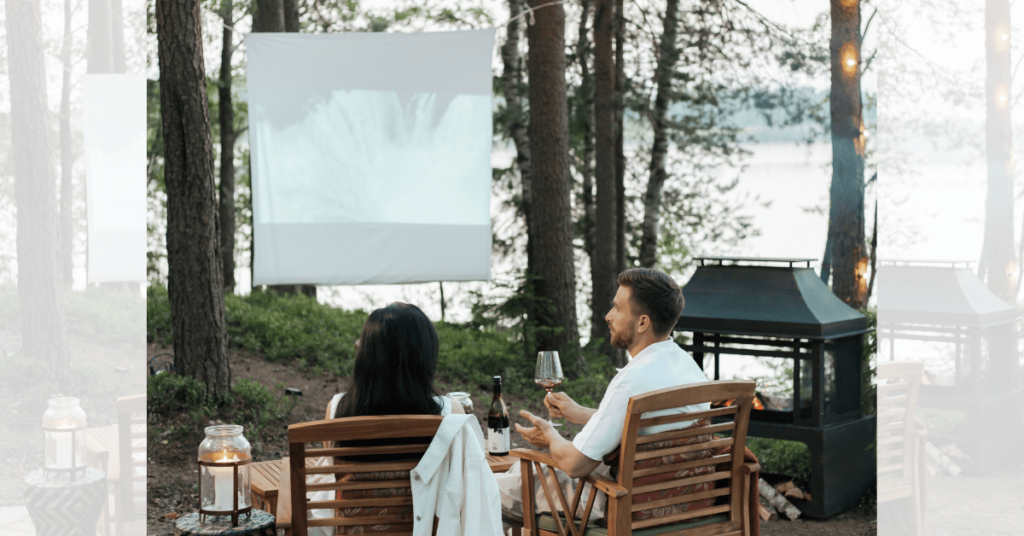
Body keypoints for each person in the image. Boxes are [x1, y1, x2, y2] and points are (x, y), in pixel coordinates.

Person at [497, 267, 710, 522]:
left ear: (642, 322)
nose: (608, 316)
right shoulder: (689, 369)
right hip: (684, 499)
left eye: (618, 308)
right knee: (524, 475)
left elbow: (575, 465)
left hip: (622, 503)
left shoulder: (632, 380)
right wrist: (581, 414)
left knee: (483, 491)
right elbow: (644, 425)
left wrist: (549, 435)